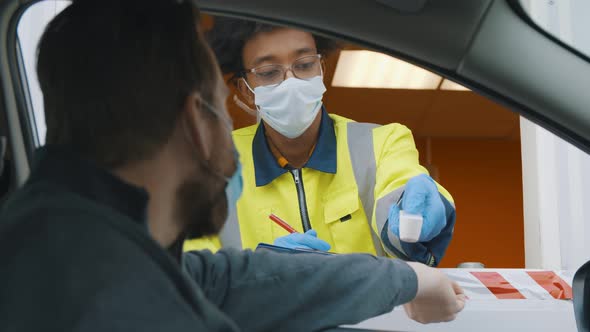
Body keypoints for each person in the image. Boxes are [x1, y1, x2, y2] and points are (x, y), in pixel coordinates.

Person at [0, 0, 465, 331]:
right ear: (197, 120)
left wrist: (409, 269)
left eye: (305, 64)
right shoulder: (122, 299)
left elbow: (223, 281)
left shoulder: (67, 242)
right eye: (221, 105)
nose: (290, 82)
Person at [185, 18, 456, 267]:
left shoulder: (381, 143)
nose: (290, 83)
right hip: (259, 318)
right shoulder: (214, 163)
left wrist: (419, 213)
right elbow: (192, 264)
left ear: (321, 70)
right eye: (269, 72)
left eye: (304, 65)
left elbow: (401, 197)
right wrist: (257, 271)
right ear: (246, 90)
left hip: (368, 315)